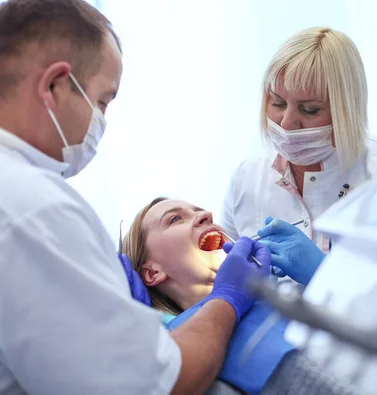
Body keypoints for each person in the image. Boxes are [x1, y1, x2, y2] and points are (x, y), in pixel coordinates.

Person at [0, 1, 269, 394]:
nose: (203, 216)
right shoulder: (34, 209)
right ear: (55, 85)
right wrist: (229, 299)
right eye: (102, 102)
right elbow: (154, 385)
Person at [220, 26, 377, 264]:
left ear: (346, 109)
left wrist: (324, 273)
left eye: (310, 109)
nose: (287, 123)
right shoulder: (247, 178)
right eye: (278, 103)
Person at [121, 197, 315, 394]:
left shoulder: (291, 295)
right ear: (153, 273)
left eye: (200, 210)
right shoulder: (170, 357)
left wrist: (322, 270)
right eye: (174, 219)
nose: (206, 215)